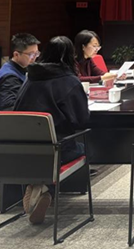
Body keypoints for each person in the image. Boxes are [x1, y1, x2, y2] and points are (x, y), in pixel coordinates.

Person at [13, 36, 90, 225]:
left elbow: (16, 109)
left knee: (46, 152)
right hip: (58, 148)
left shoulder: (30, 77)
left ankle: (39, 185)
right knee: (83, 147)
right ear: (71, 56)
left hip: (21, 149)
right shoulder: (69, 81)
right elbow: (81, 121)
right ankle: (44, 187)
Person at [0, 33, 40, 110]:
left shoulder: (21, 67)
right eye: (31, 54)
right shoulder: (10, 78)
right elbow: (10, 108)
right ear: (16, 54)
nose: (34, 58)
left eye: (36, 53)